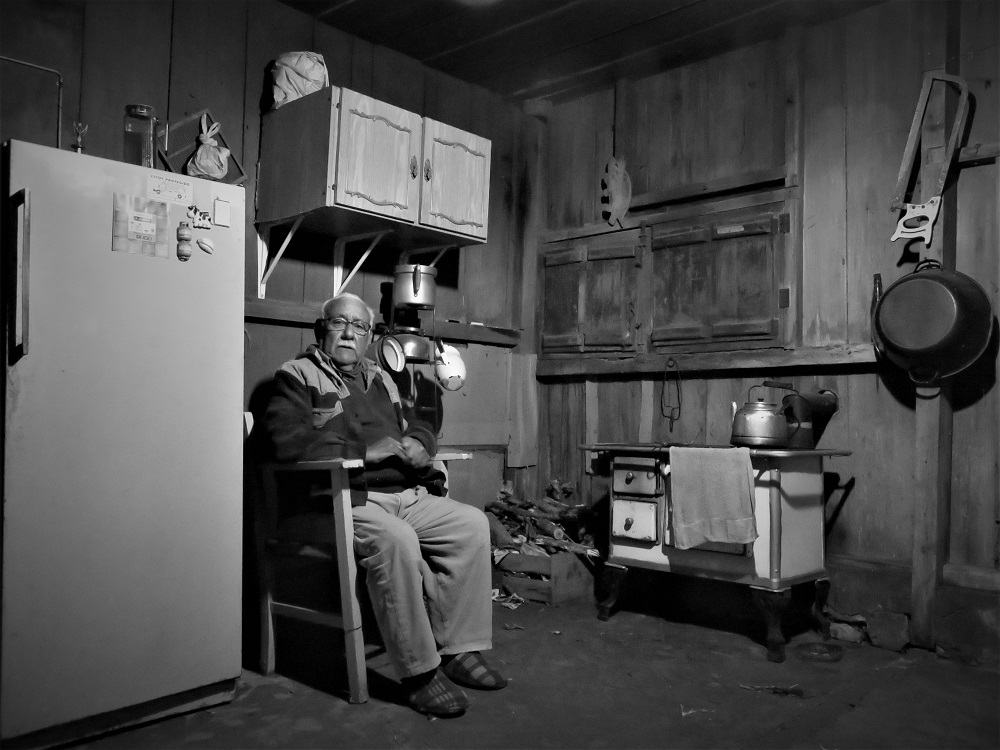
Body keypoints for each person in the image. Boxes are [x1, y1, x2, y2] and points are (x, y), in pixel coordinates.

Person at [264, 292, 506, 718]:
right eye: (339, 323)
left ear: (369, 336)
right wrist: (362, 451)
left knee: (471, 525)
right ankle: (420, 673)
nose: (349, 333)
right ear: (321, 330)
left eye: (359, 327)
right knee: (397, 540)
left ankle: (458, 650)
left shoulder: (382, 378)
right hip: (341, 498)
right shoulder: (297, 375)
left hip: (403, 494)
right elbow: (283, 440)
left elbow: (417, 423)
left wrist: (421, 442)